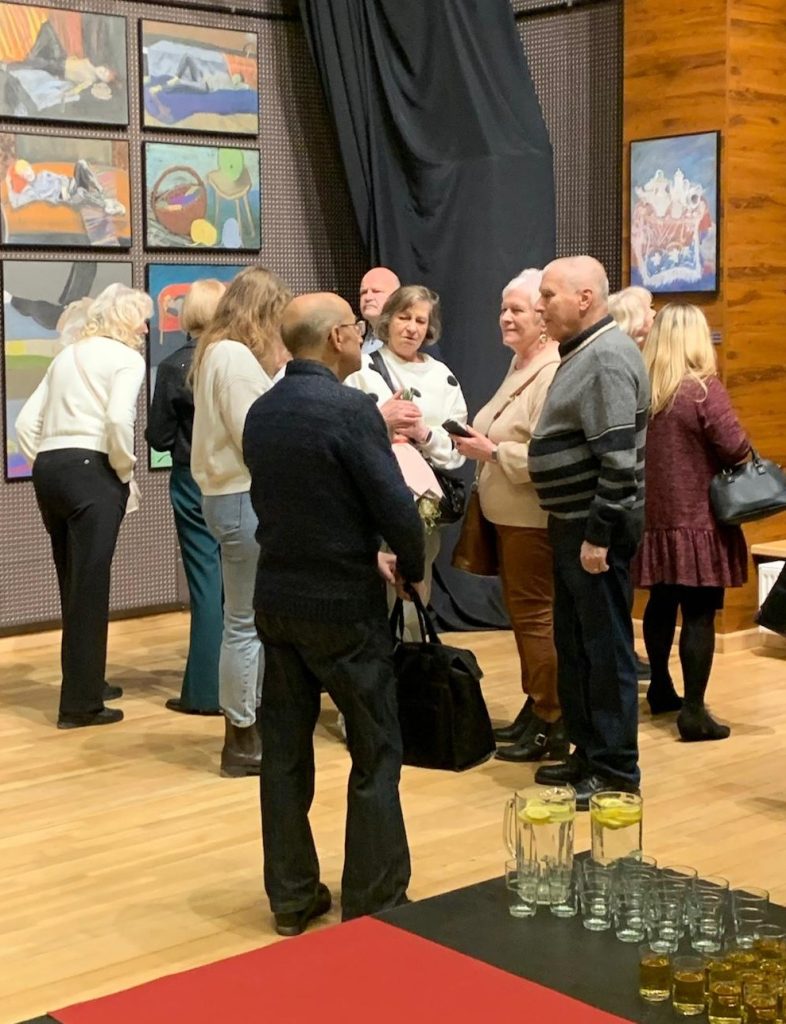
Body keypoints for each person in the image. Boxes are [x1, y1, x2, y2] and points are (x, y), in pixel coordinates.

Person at [243, 292, 425, 935]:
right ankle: (375, 895)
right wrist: (410, 563)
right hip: (343, 605)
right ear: (336, 339)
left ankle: (291, 897)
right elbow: (393, 503)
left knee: (285, 754)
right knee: (376, 747)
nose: (361, 334)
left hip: (277, 599)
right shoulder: (350, 410)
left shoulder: (262, 411)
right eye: (355, 326)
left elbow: (296, 503)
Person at [528, 256, 650, 809]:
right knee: (576, 647)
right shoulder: (582, 352)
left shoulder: (605, 357)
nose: (540, 308)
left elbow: (619, 463)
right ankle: (588, 753)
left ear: (584, 299)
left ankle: (616, 770)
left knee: (605, 652)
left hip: (593, 530)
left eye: (548, 296)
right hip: (573, 525)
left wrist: (598, 536)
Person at [14, 283, 151, 729]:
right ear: (126, 321)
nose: (146, 329)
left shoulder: (67, 355)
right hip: (94, 470)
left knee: (73, 584)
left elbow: (25, 423)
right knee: (90, 586)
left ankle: (87, 681)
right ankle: (80, 706)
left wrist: (50, 459)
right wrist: (124, 469)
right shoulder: (127, 359)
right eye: (142, 319)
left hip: (51, 470)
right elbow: (117, 419)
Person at [451, 268, 564, 762]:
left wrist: (491, 452)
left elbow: (544, 455)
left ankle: (553, 719)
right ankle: (536, 706)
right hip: (508, 517)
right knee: (524, 618)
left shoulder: (551, 371)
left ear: (542, 317)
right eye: (503, 308)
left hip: (531, 521)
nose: (505, 317)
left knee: (536, 619)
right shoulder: (520, 364)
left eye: (516, 309)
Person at [190, 266, 292, 777]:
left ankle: (249, 728)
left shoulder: (218, 351)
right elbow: (256, 432)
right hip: (241, 496)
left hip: (230, 496)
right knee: (245, 623)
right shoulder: (231, 356)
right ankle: (242, 737)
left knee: (246, 620)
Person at [632, 303, 749, 741]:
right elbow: (735, 446)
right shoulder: (702, 390)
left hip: (653, 517)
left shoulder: (644, 393)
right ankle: (695, 711)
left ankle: (661, 687)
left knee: (661, 604)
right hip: (699, 520)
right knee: (699, 612)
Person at [345, 285, 467, 611]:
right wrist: (382, 424)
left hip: (422, 506)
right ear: (388, 320)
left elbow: (458, 447)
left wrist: (424, 434)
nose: (412, 328)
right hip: (370, 500)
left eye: (420, 320)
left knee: (414, 586)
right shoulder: (360, 370)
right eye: (404, 317)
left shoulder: (442, 376)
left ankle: (414, 641)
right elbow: (341, 434)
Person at [147, 279, 226, 716]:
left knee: (205, 582)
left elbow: (159, 437)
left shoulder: (174, 366)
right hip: (239, 480)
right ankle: (247, 686)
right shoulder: (243, 361)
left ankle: (205, 692)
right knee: (240, 585)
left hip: (193, 480)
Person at [359, 266, 400, 354]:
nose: (368, 297)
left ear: (396, 297)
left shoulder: (408, 338)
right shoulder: (356, 337)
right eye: (363, 292)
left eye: (376, 291)